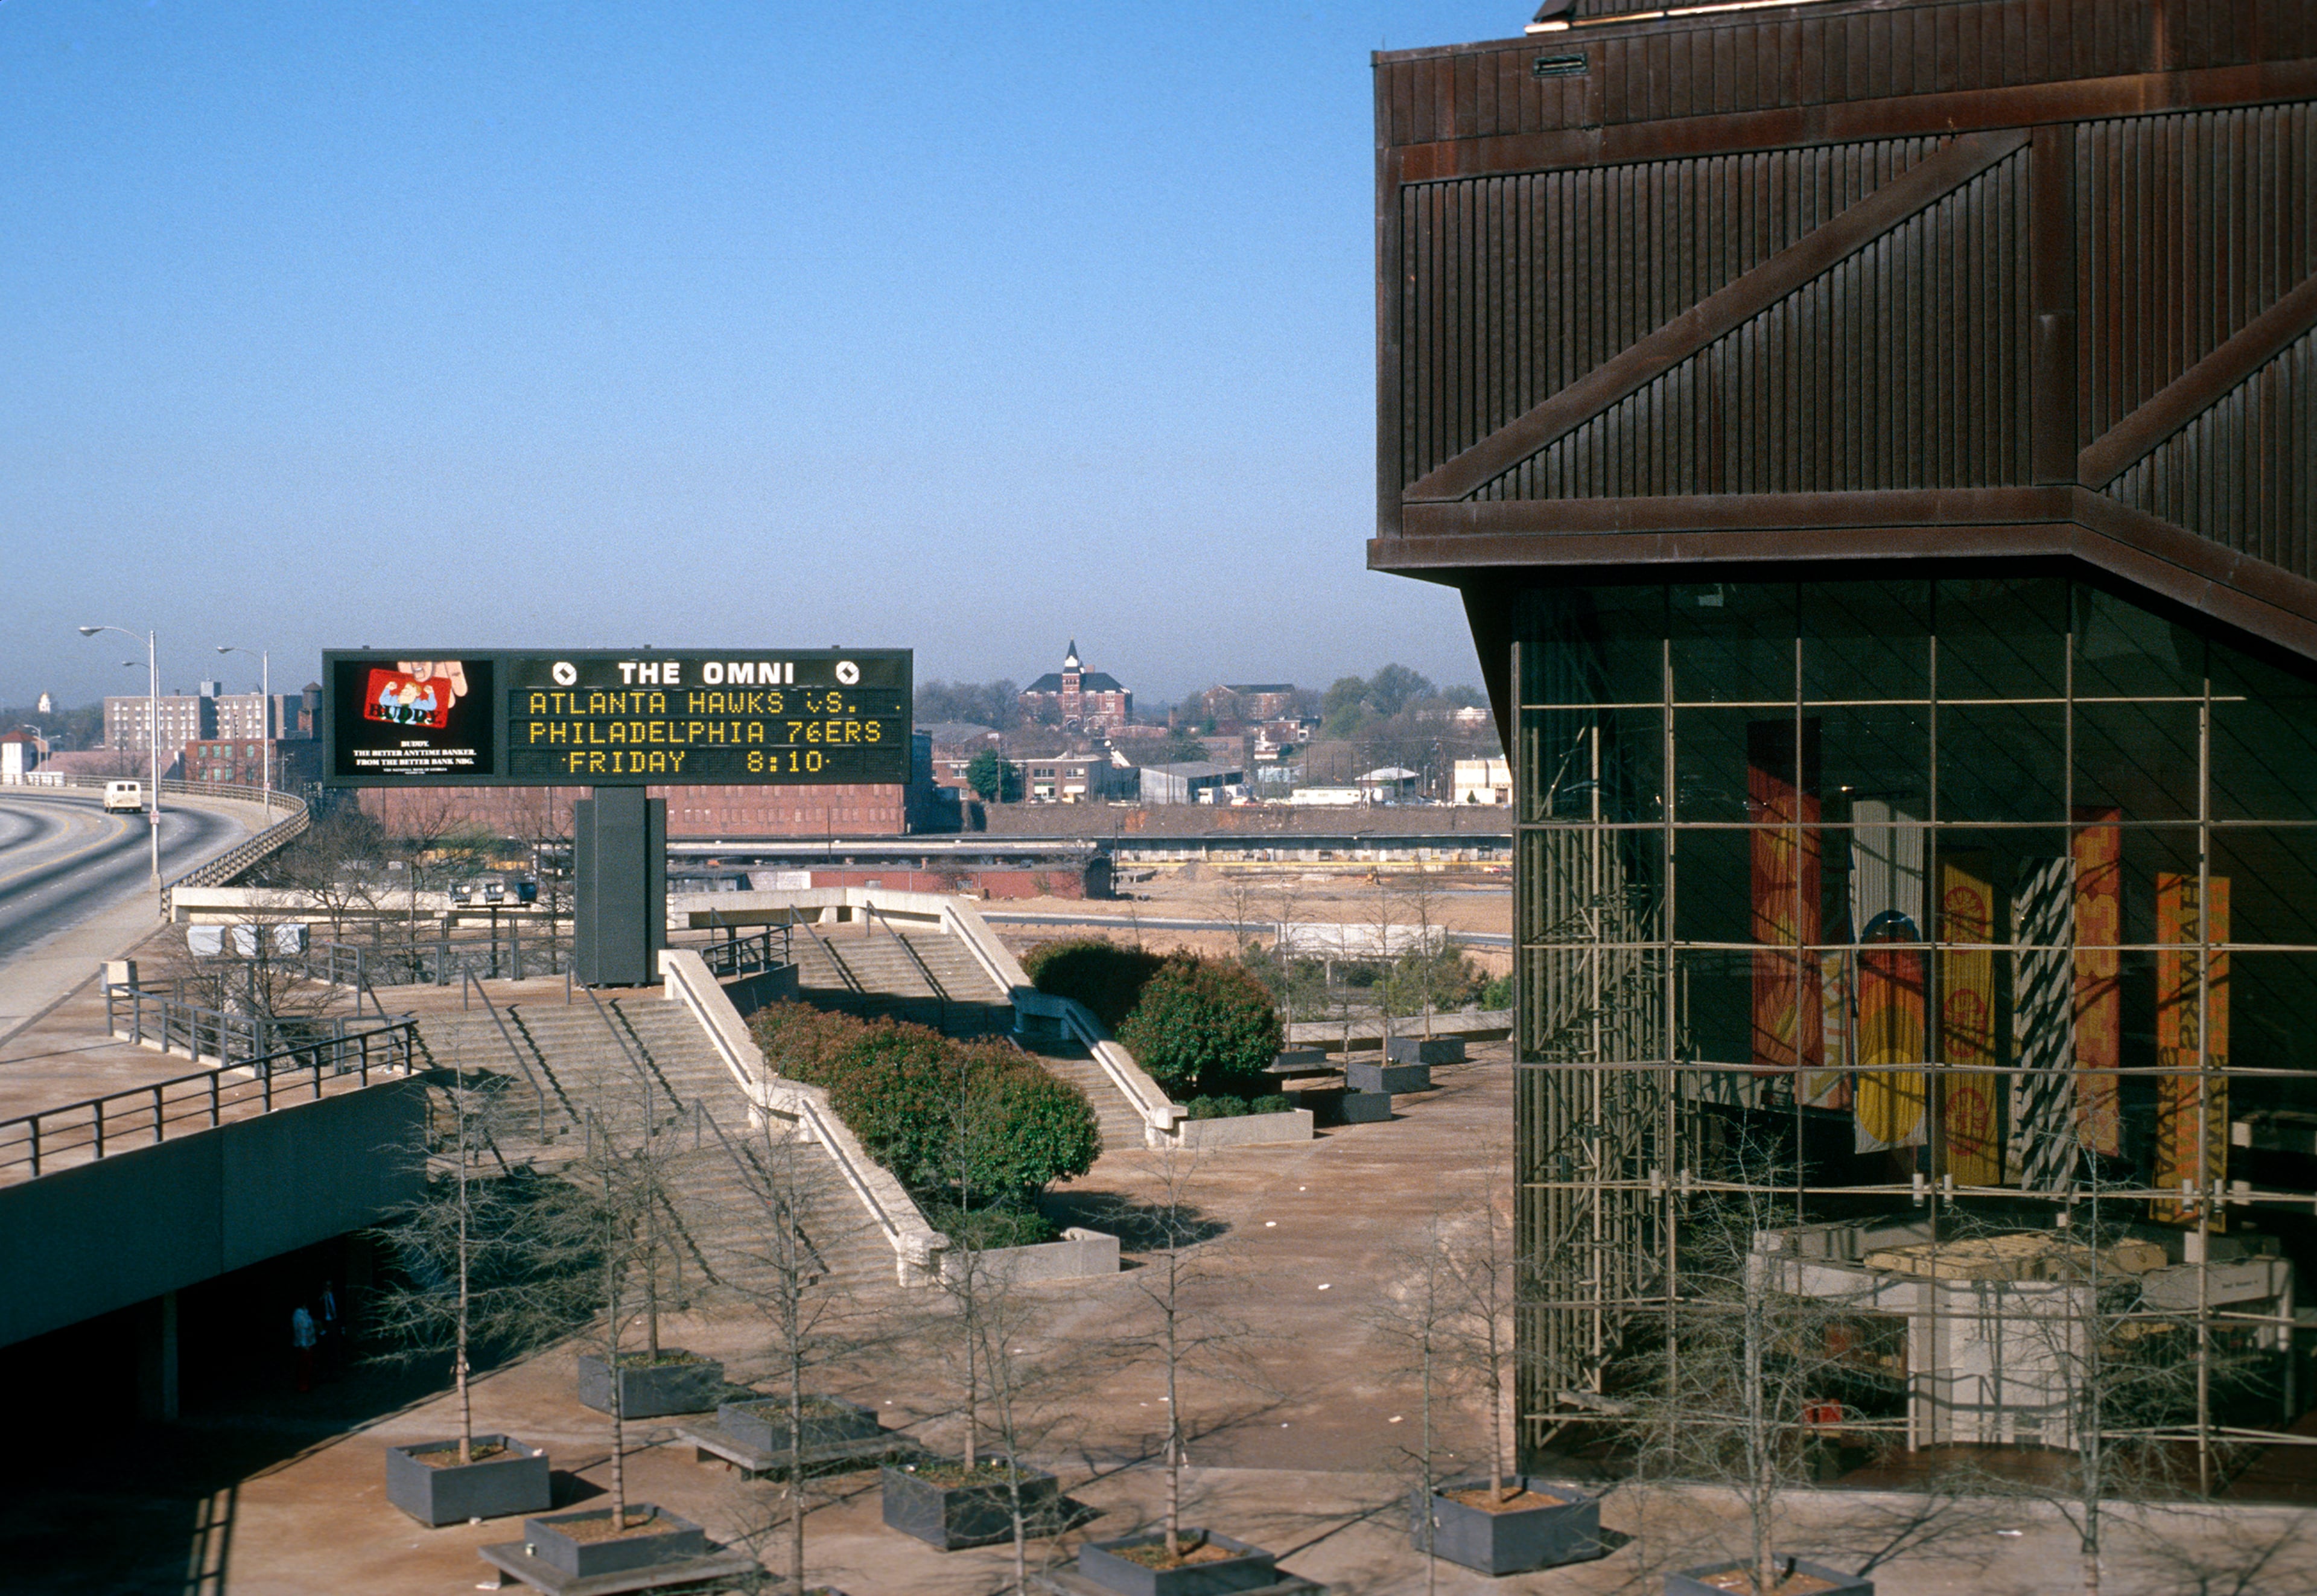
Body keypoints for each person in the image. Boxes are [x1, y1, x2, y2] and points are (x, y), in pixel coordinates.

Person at [291, 1302, 317, 1393]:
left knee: (307, 1365)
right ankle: (303, 1386)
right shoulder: (299, 1315)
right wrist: (304, 1345)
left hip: (308, 1343)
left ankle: (307, 1384)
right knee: (304, 1366)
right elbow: (301, 1331)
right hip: (304, 1345)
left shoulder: (305, 1313)